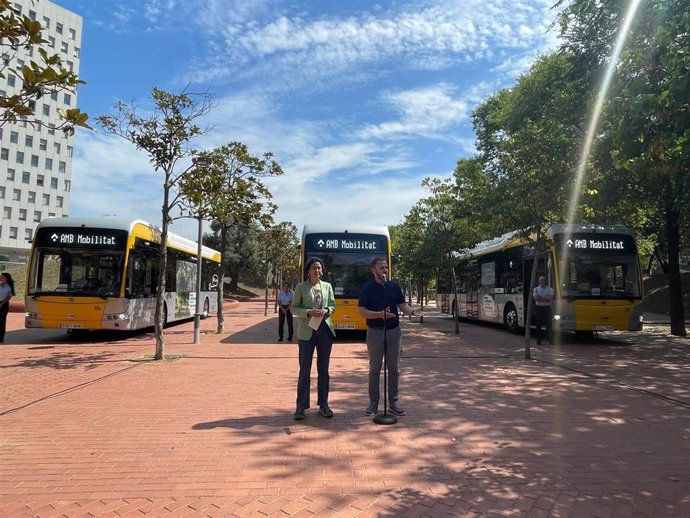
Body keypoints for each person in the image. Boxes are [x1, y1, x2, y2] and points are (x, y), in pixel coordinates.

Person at [358, 258, 424, 417]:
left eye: (386, 267)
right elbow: (361, 311)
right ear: (373, 270)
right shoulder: (367, 288)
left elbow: (402, 305)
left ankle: (393, 402)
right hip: (375, 332)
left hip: (394, 331)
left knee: (393, 369)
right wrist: (378, 315)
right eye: (381, 268)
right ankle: (373, 403)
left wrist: (413, 312)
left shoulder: (394, 287)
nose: (385, 270)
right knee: (374, 369)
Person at [291, 258, 336, 420]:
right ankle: (301, 407)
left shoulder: (327, 286)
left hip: (324, 331)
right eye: (314, 268)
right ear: (308, 270)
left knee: (323, 370)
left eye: (319, 268)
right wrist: (308, 312)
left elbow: (332, 305)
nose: (317, 270)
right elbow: (294, 308)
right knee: (305, 370)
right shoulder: (301, 287)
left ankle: (324, 405)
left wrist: (326, 310)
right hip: (306, 332)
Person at [532, 275, 554, 344]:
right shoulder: (535, 289)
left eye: (544, 280)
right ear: (539, 281)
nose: (542, 281)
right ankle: (539, 341)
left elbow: (550, 298)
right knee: (538, 325)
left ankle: (551, 340)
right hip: (538, 308)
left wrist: (540, 297)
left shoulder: (550, 289)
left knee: (549, 325)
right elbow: (536, 298)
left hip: (547, 308)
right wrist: (546, 298)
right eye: (541, 280)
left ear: (546, 281)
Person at [0, 272, 16, 344]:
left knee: (2, 321)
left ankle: (1, 338)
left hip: (4, 304)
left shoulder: (9, 287)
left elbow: (9, 296)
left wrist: (2, 304)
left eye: (2, 276)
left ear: (6, 278)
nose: (0, 278)